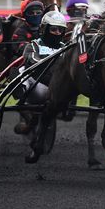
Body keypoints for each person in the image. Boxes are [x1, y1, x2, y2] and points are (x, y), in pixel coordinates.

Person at [16, 11, 67, 162]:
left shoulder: (66, 47)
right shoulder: (34, 45)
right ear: (44, 29)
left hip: (56, 89)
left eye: (60, 30)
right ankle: (22, 99)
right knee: (22, 71)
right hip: (36, 87)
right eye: (53, 29)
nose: (57, 33)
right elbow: (32, 61)